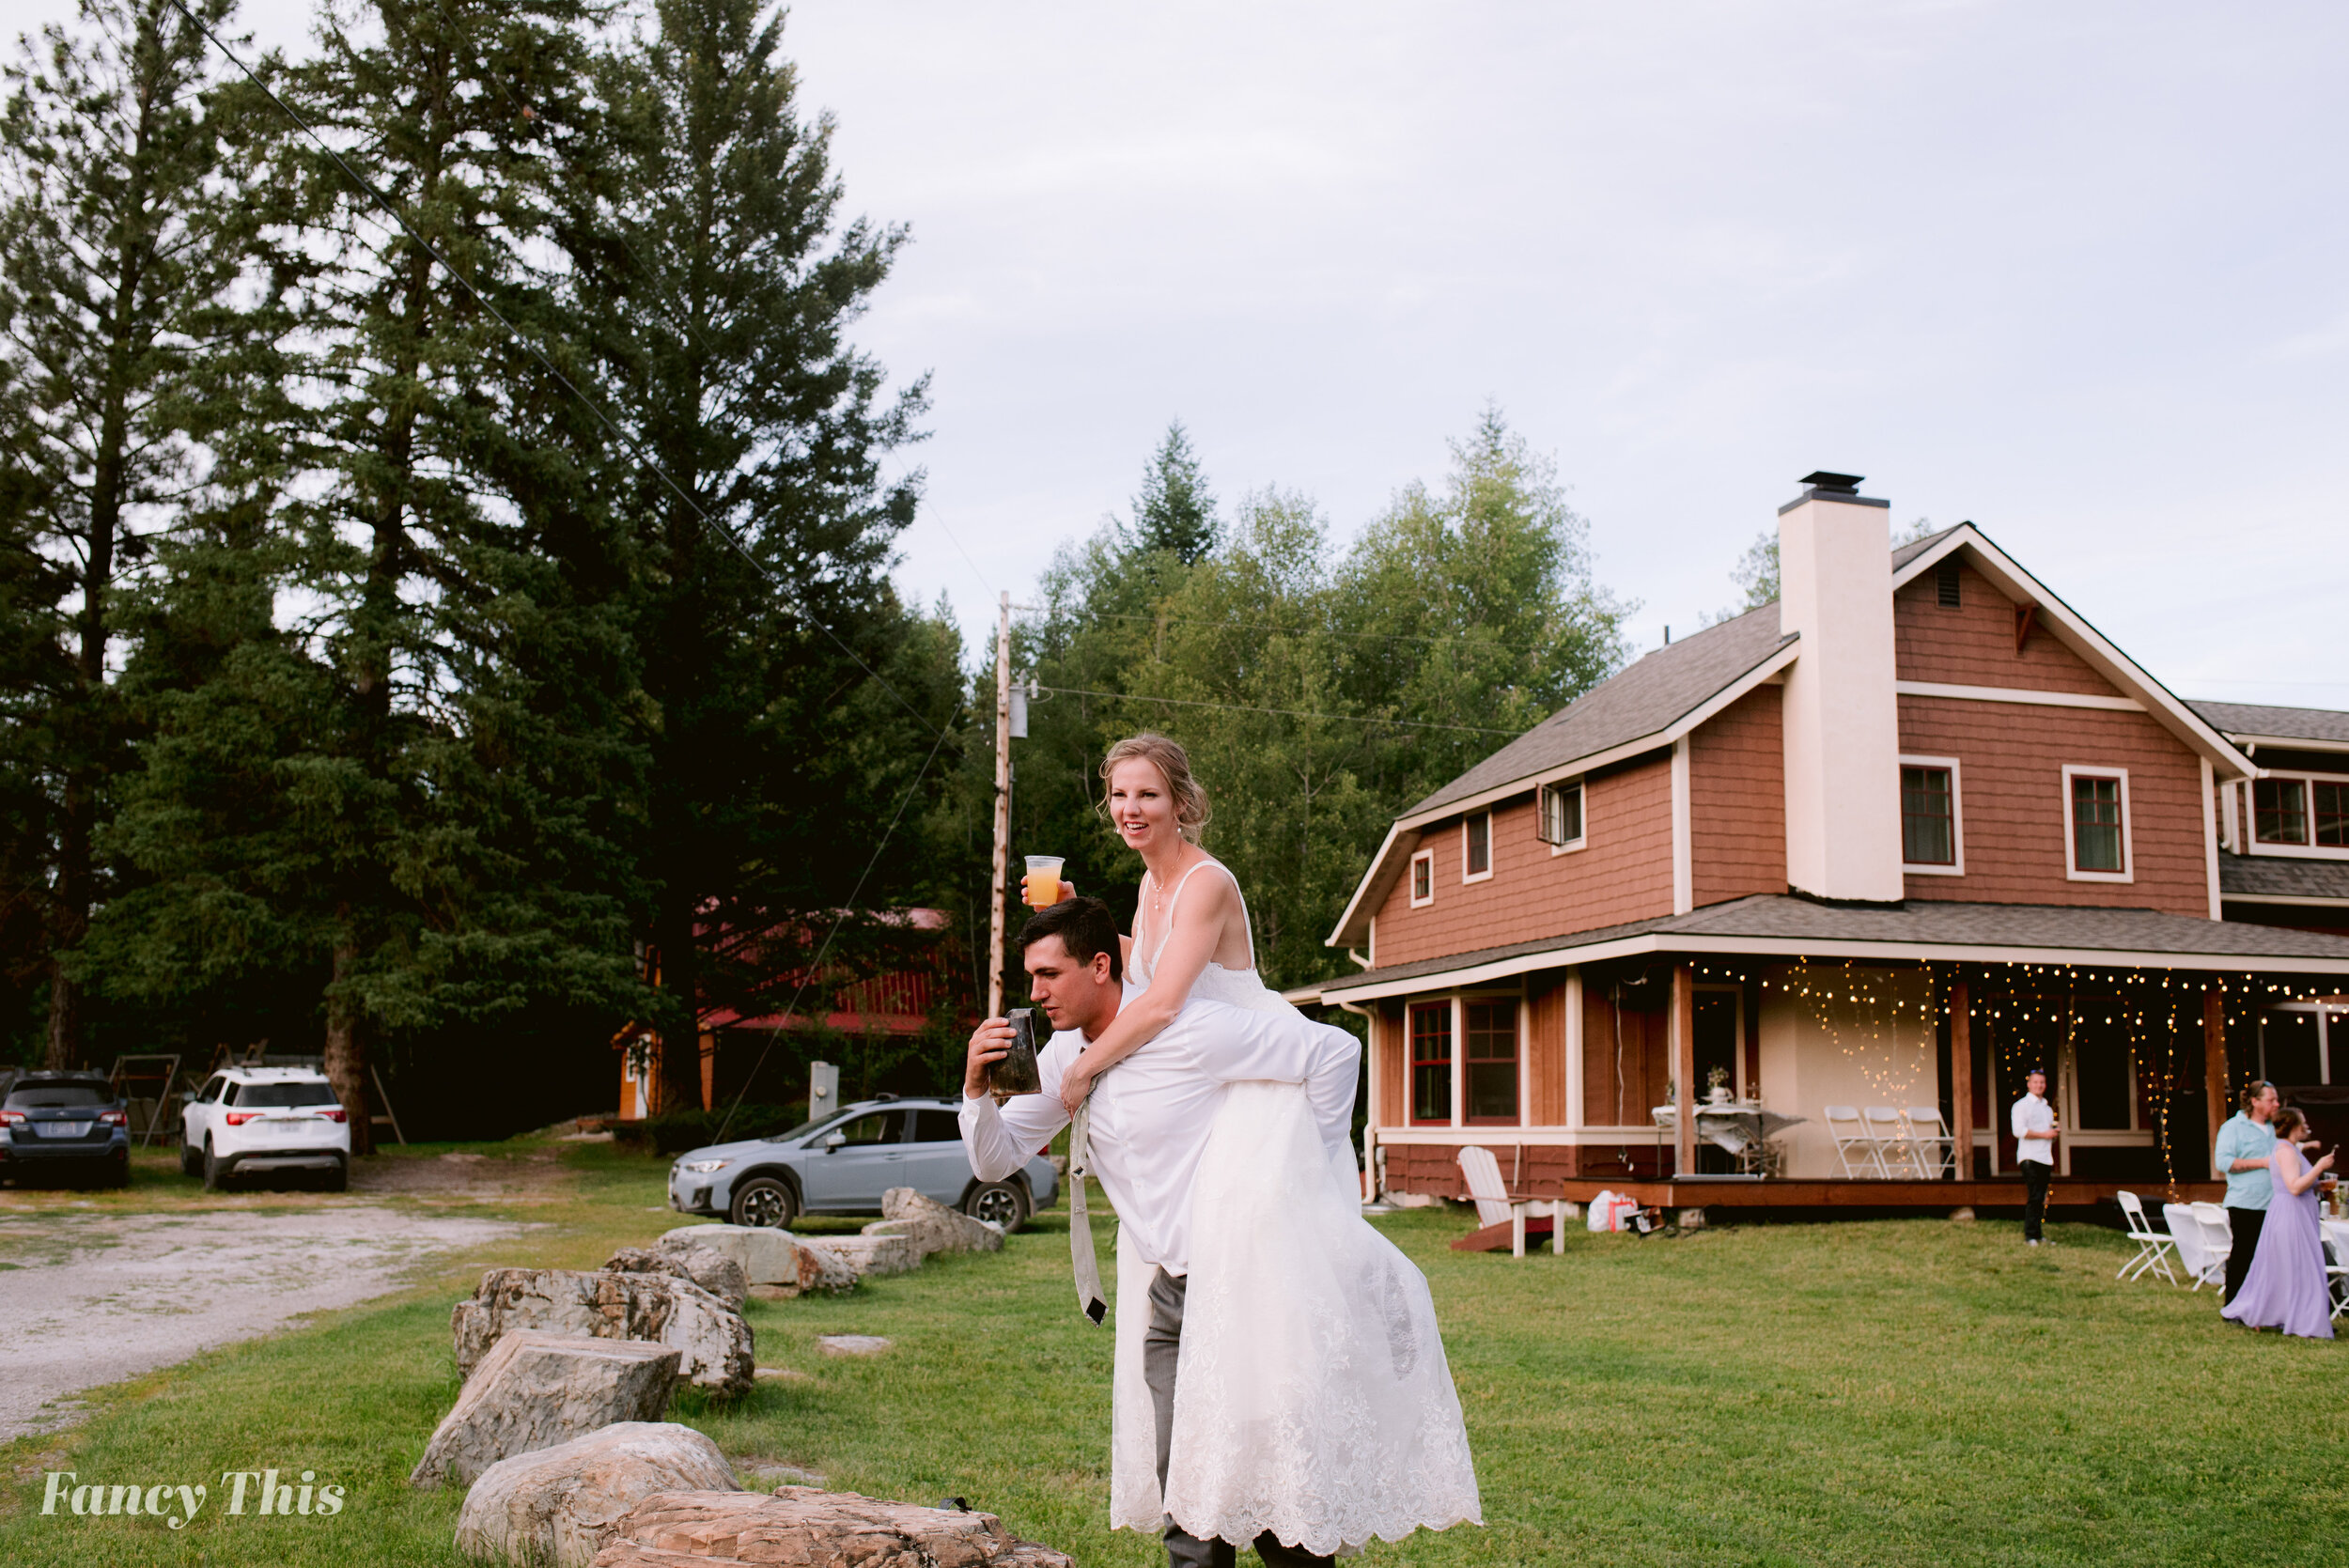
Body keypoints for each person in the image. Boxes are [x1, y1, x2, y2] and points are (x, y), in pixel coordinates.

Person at [992, 734, 1481, 1563]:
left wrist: (1082, 1077)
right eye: (1117, 796)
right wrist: (1071, 914)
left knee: (1264, 1404)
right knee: (1209, 1419)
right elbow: (1126, 986)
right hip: (1212, 1111)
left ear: (1181, 799)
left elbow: (1162, 1009)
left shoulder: (1207, 881)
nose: (1129, 810)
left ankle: (1285, 1529)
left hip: (1257, 1093)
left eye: (1145, 794)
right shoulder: (1147, 890)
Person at [2220, 1106, 2336, 1339]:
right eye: (2303, 1122)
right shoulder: (2285, 1151)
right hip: (2291, 1214)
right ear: (2293, 1126)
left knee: (2297, 1267)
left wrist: (2317, 1185)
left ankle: (2298, 1317)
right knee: (2297, 1266)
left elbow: (2295, 1182)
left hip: (2296, 1212)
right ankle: (2301, 1321)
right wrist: (2320, 1168)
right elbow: (2293, 1187)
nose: (2306, 1126)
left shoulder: (2290, 1149)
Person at [2213, 1080, 2281, 1305]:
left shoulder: (2277, 1128)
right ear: (2254, 1101)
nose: (2276, 1104)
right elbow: (2223, 1162)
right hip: (2246, 1203)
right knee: (2244, 1254)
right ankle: (2233, 1305)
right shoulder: (2234, 1127)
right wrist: (2262, 1162)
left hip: (2276, 1203)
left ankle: (2267, 1305)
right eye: (2271, 1100)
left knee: (2275, 1258)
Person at [2010, 1067, 2058, 1245]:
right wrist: (2045, 1135)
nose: (2039, 1085)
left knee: (2041, 1197)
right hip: (2029, 1157)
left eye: (2042, 1083)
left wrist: (2051, 1135)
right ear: (2029, 1084)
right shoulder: (2021, 1106)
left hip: (2045, 1157)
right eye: (2036, 1082)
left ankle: (2038, 1234)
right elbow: (2019, 1131)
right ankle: (2030, 1235)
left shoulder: (2047, 1108)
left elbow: (2046, 1133)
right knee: (2035, 1196)